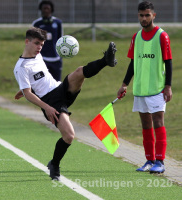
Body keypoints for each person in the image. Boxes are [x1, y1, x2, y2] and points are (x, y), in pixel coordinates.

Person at [14, 27, 117, 181]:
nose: (39, 47)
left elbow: (36, 81)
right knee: (69, 136)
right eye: (36, 43)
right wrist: (45, 106)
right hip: (50, 102)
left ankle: (106, 60)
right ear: (26, 41)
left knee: (79, 72)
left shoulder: (38, 56)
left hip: (60, 89)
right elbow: (29, 93)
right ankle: (54, 164)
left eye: (41, 45)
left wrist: (23, 90)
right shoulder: (21, 67)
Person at [117, 1, 172, 174]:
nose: (144, 18)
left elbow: (168, 63)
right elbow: (133, 63)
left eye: (147, 15)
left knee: (158, 123)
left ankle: (160, 161)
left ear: (153, 15)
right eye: (141, 15)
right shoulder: (136, 37)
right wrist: (124, 84)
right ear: (138, 16)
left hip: (157, 88)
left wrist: (168, 86)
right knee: (146, 125)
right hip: (140, 89)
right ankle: (149, 160)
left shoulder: (162, 36)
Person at [32, 0, 63, 81]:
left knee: (57, 83)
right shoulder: (36, 24)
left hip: (56, 58)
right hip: (42, 58)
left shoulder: (58, 23)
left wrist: (60, 56)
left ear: (51, 10)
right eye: (44, 8)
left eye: (47, 8)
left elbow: (61, 40)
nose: (45, 10)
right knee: (41, 82)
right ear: (41, 10)